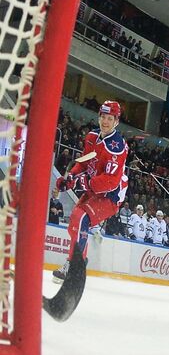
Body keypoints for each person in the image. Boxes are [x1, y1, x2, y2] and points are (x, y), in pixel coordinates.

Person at [53, 100, 128, 283]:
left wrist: (82, 182)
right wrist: (70, 178)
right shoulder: (92, 137)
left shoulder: (117, 147)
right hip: (94, 189)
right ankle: (79, 264)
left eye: (110, 118)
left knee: (80, 218)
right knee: (74, 225)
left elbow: (110, 181)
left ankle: (74, 266)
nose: (105, 121)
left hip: (110, 195)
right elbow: (84, 163)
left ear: (116, 121)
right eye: (103, 117)